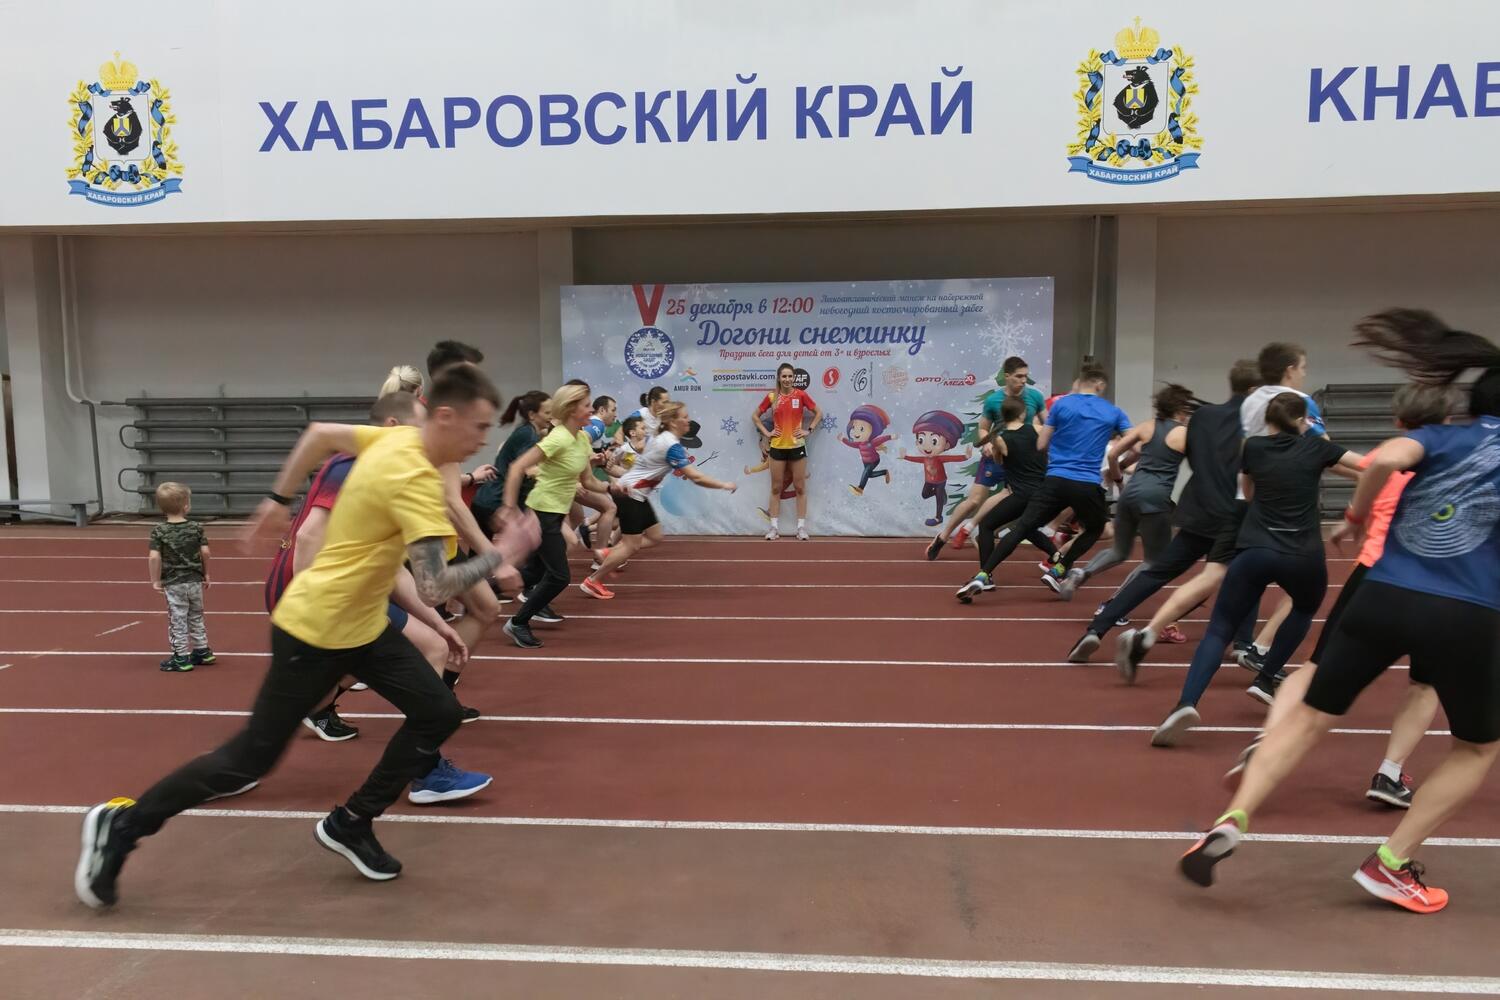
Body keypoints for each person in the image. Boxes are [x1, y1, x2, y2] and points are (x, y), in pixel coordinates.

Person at [75, 365, 528, 908]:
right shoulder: (415, 482)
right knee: (247, 760)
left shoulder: (396, 439)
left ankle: (351, 822)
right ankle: (123, 826)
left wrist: (277, 497)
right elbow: (435, 584)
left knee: (438, 712)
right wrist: (502, 556)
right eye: (480, 427)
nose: (483, 439)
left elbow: (319, 436)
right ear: (446, 417)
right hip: (315, 630)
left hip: (364, 624)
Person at [1181, 309, 1500, 914]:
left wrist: (1354, 517)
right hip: (1468, 611)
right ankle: (1390, 863)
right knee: (1477, 748)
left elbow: (1382, 461)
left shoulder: (1444, 437)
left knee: (1308, 717)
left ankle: (1232, 818)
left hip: (1383, 593)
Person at [1221, 382, 1451, 803]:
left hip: (1374, 575)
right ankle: (1389, 773)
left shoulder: (1384, 457)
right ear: (1449, 420)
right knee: (1424, 684)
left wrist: (1352, 517)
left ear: (1398, 420)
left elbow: (1366, 473)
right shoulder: (1464, 465)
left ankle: (1268, 739)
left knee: (1314, 667)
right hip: (1438, 584)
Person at [1149, 392, 1363, 746]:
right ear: (1303, 421)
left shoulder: (1253, 448)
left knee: (1220, 627)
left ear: (1268, 421)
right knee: (1304, 608)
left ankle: (1185, 703)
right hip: (1304, 555)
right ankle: (1266, 677)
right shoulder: (1317, 447)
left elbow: (1247, 492)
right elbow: (1368, 465)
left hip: (1256, 550)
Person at [1065, 361, 1261, 664]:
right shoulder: (1257, 421)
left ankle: (1097, 628)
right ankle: (1243, 643)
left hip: (1196, 508)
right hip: (1232, 512)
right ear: (1254, 389)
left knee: (1154, 571)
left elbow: (1189, 457)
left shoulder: (1203, 417)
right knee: (1247, 576)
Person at [954, 366, 1129, 603]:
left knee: (1022, 528)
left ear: (1081, 382)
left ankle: (982, 575)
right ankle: (1058, 569)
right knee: (1095, 528)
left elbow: (1041, 444)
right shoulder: (1113, 411)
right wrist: (1117, 470)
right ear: (1100, 385)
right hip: (1086, 483)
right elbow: (1132, 443)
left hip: (1055, 480)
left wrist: (1060, 450)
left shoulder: (1060, 406)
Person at [581, 402, 737, 599]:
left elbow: (635, 447)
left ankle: (610, 553)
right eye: (684, 417)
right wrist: (724, 485)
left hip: (636, 494)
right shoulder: (671, 445)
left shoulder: (660, 437)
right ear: (673, 422)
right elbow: (696, 477)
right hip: (630, 494)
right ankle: (593, 580)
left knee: (655, 537)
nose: (688, 421)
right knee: (631, 545)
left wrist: (614, 455)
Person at [500, 384, 611, 648]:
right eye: (587, 405)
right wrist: (509, 508)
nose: (592, 410)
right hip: (543, 511)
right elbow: (517, 467)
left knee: (534, 572)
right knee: (559, 576)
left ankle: (479, 590)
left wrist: (614, 488)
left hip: (556, 512)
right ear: (572, 409)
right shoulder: (557, 438)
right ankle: (518, 622)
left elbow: (589, 481)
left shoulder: (581, 439)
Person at [1073, 384, 1195, 603]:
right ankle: (1114, 604)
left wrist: (1118, 478)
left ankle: (1083, 572)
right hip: (1155, 498)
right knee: (1154, 561)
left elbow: (1114, 456)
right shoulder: (1184, 434)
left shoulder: (1146, 427)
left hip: (1130, 493)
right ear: (1180, 408)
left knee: (1118, 551)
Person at [928, 357, 1046, 556]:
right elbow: (983, 428)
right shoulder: (993, 400)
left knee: (1012, 497)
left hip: (1020, 460)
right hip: (996, 455)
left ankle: (976, 530)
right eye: (1019, 376)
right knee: (974, 500)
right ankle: (943, 536)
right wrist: (988, 443)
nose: (1023, 380)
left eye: (1026, 376)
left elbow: (1047, 425)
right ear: (1007, 376)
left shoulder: (1035, 396)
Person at [149, 483, 213, 672]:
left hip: (174, 582)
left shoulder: (159, 531)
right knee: (196, 615)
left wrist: (155, 579)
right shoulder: (196, 527)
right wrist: (206, 573)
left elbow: (154, 557)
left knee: (178, 618)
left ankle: (181, 656)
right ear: (186, 506)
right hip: (194, 580)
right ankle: (202, 650)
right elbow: (205, 552)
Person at [756, 363, 822, 541]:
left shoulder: (801, 395)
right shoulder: (772, 397)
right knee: (776, 488)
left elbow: (818, 413)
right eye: (784, 376)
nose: (787, 379)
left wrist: (809, 430)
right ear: (779, 378)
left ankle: (801, 529)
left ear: (794, 378)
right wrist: (767, 433)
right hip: (777, 448)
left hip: (797, 447)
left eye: (790, 376)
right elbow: (755, 416)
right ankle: (774, 529)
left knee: (800, 487)